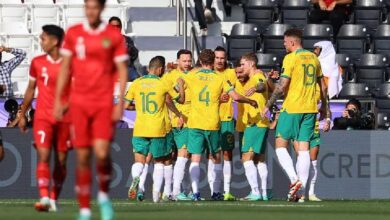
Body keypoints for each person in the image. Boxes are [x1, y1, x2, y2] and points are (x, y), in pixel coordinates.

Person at [54, 0, 129, 219]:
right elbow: (66, 67)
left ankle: (104, 196)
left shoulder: (113, 36)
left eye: (95, 7)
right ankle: (85, 209)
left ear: (102, 9)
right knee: (83, 156)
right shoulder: (74, 33)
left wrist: (121, 102)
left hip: (103, 103)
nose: (91, 11)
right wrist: (60, 99)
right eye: (87, 7)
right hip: (79, 103)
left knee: (103, 153)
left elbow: (122, 71)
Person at [261, 28, 330, 202]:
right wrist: (325, 109)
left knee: (280, 145)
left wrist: (268, 105)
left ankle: (294, 180)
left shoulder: (291, 58)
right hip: (310, 108)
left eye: (285, 41)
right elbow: (323, 87)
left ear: (292, 42)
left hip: (292, 107)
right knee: (304, 148)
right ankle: (300, 194)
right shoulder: (314, 58)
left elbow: (282, 86)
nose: (284, 44)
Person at [183, 49, 258, 201]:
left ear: (201, 62)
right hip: (213, 123)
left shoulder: (192, 75)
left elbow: (179, 82)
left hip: (195, 122)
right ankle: (216, 192)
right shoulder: (219, 78)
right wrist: (250, 100)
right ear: (212, 62)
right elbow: (235, 96)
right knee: (216, 156)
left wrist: (180, 96)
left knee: (195, 158)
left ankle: (196, 193)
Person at [18, 25, 71, 212]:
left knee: (62, 160)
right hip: (43, 117)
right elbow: (31, 89)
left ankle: (54, 199)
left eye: (43, 39)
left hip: (66, 119)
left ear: (55, 41)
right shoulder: (37, 62)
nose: (41, 42)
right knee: (44, 154)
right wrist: (22, 113)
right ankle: (44, 197)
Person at [126, 56, 185, 203]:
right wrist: (181, 86)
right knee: (161, 161)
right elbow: (180, 99)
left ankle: (136, 180)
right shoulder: (163, 83)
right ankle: (156, 196)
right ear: (160, 69)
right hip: (158, 128)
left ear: (148, 68)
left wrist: (138, 107)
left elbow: (126, 106)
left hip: (139, 128)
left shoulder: (136, 83)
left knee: (139, 161)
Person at [162, 49, 193, 201]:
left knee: (180, 155)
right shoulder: (170, 77)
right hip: (176, 121)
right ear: (177, 61)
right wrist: (177, 114)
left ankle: (171, 191)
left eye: (189, 60)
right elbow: (166, 98)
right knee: (178, 155)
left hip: (189, 119)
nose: (187, 64)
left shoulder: (194, 76)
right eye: (184, 61)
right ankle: (174, 191)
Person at [212, 46, 237, 201]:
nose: (220, 60)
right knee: (213, 155)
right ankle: (215, 191)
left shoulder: (231, 73)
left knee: (227, 154)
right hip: (211, 119)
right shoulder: (207, 74)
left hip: (227, 118)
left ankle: (227, 191)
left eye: (222, 58)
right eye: (217, 58)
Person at [108, 16, 140, 82]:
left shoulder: (127, 40)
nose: (115, 28)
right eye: (112, 26)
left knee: (137, 78)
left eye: (117, 26)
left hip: (126, 68)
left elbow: (134, 55)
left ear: (121, 27)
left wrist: (127, 48)